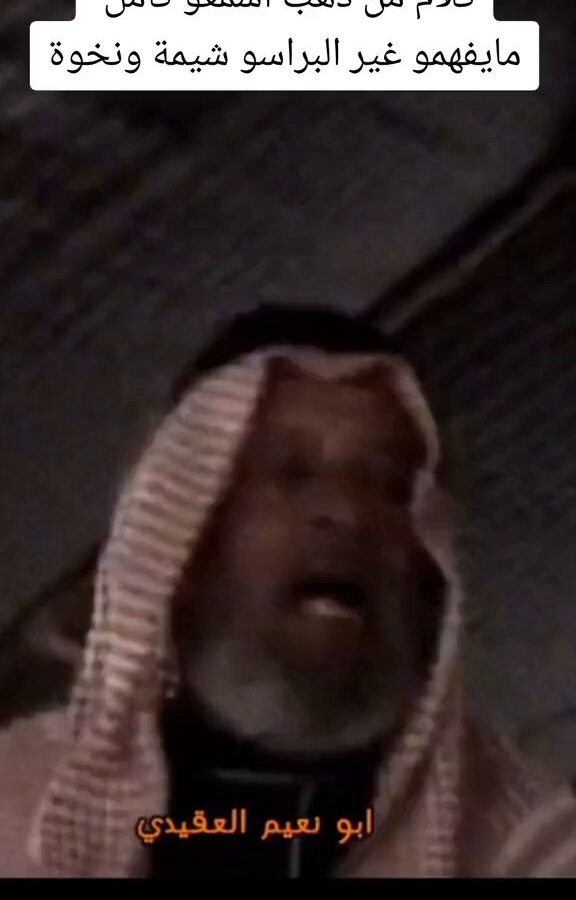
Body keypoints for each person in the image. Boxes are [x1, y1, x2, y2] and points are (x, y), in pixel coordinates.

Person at [1, 308, 575, 878]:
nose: (348, 512)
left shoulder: (527, 846)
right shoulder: (17, 800)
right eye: (292, 473)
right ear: (186, 536)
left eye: (390, 486)